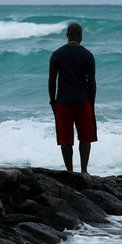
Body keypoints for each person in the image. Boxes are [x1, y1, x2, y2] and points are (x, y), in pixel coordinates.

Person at [49, 22, 97, 173]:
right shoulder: (87, 55)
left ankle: (69, 171)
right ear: (80, 36)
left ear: (67, 35)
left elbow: (52, 80)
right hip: (83, 101)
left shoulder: (57, 54)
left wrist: (53, 101)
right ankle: (84, 171)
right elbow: (92, 83)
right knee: (85, 137)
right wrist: (91, 103)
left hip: (63, 102)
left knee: (65, 139)